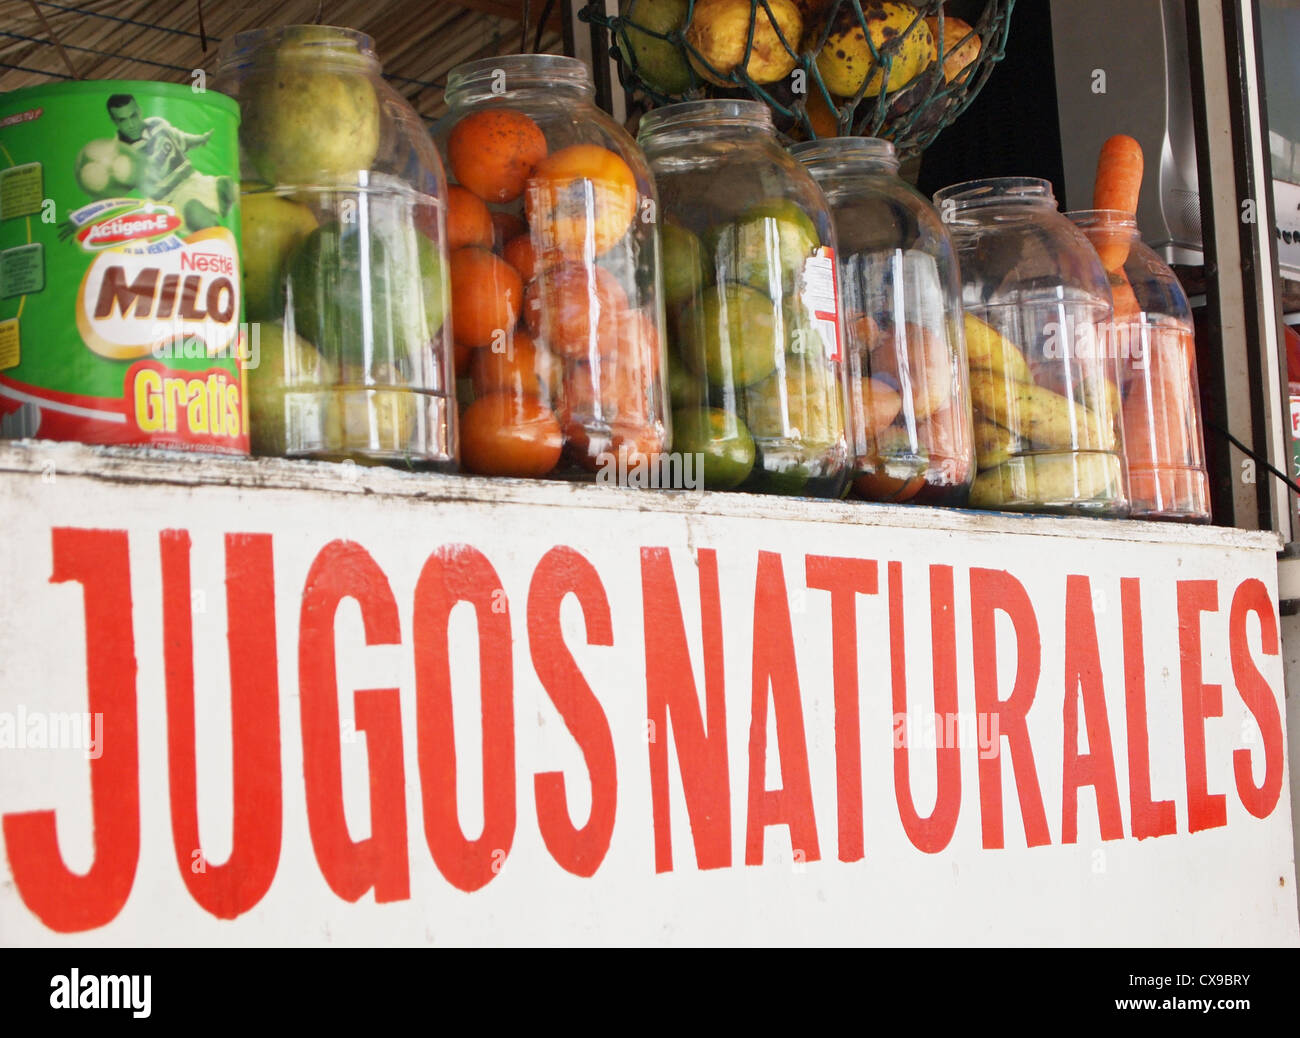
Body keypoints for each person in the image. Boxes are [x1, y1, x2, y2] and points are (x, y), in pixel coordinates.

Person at [106, 93, 235, 233]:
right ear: (114, 121)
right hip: (171, 199)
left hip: (195, 179)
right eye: (122, 120)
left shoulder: (157, 124)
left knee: (230, 187)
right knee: (197, 213)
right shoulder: (120, 154)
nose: (131, 124)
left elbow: (181, 139)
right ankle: (218, 246)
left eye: (133, 116)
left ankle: (221, 217)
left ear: (139, 111)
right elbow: (112, 188)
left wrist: (201, 139)